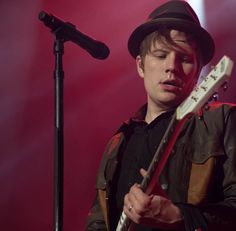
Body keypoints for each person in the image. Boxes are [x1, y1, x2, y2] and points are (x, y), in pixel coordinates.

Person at [85, 1, 236, 230]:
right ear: (140, 65)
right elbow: (98, 222)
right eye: (161, 55)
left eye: (184, 59)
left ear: (198, 72)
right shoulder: (118, 144)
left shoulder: (223, 121)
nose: (171, 67)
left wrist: (180, 217)